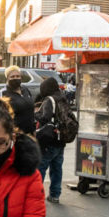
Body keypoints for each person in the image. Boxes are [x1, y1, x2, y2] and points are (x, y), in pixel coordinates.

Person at [35, 76, 68, 204]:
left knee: (41, 167)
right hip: (61, 139)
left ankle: (37, 196)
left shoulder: (49, 100)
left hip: (49, 140)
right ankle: (55, 195)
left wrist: (36, 114)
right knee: (57, 168)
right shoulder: (63, 98)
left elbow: (45, 117)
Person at [0, 65, 36, 136]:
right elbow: (1, 116)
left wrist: (34, 130)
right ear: (7, 78)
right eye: (12, 77)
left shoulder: (25, 89)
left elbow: (31, 111)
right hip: (16, 134)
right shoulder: (3, 93)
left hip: (30, 133)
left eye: (17, 76)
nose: (15, 78)